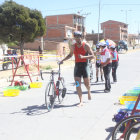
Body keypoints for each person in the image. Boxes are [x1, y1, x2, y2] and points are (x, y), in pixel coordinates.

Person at [60, 31, 95, 106]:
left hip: (85, 66)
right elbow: (70, 55)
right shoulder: (73, 46)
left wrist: (84, 57)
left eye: (78, 37)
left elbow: (93, 56)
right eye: (75, 37)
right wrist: (62, 60)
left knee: (87, 84)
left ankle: (89, 91)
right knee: (77, 84)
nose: (76, 39)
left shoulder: (86, 45)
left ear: (81, 37)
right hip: (77, 67)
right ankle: (81, 101)